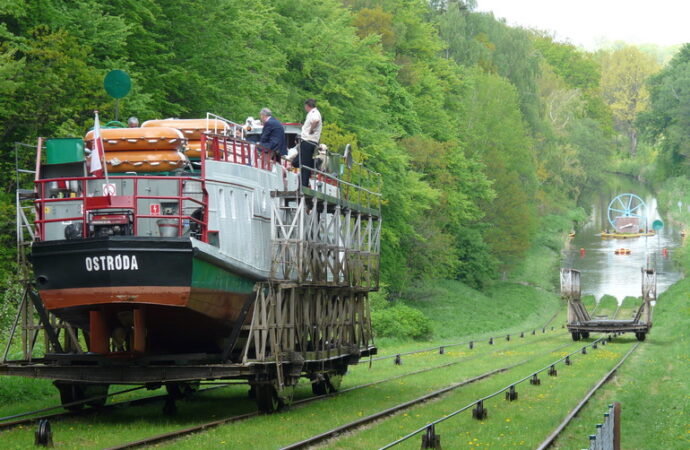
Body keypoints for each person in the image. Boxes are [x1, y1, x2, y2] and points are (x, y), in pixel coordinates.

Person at [296, 99, 322, 187]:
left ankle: (304, 184)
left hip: (308, 140)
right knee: (298, 162)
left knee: (305, 164)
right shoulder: (313, 113)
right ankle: (314, 163)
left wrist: (311, 130)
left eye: (305, 106)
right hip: (307, 141)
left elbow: (316, 120)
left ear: (308, 106)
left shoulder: (314, 113)